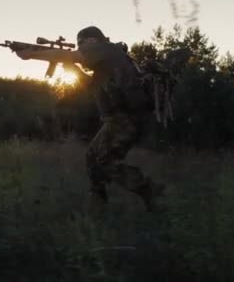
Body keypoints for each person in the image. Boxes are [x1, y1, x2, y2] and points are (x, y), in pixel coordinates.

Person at [15, 26, 164, 212]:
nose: (80, 47)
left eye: (82, 42)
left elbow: (72, 56)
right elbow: (90, 85)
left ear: (94, 40)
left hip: (126, 117)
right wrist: (72, 67)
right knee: (92, 157)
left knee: (106, 162)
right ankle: (98, 201)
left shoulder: (106, 50)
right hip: (117, 118)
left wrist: (32, 54)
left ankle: (148, 189)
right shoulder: (107, 60)